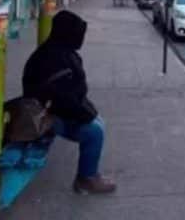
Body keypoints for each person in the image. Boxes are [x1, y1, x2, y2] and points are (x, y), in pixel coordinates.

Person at [22, 10, 117, 194]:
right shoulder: (53, 57)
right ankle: (86, 179)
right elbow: (62, 99)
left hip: (57, 108)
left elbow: (70, 93)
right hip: (44, 116)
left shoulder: (60, 50)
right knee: (94, 131)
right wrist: (85, 115)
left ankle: (89, 175)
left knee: (98, 122)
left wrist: (88, 111)